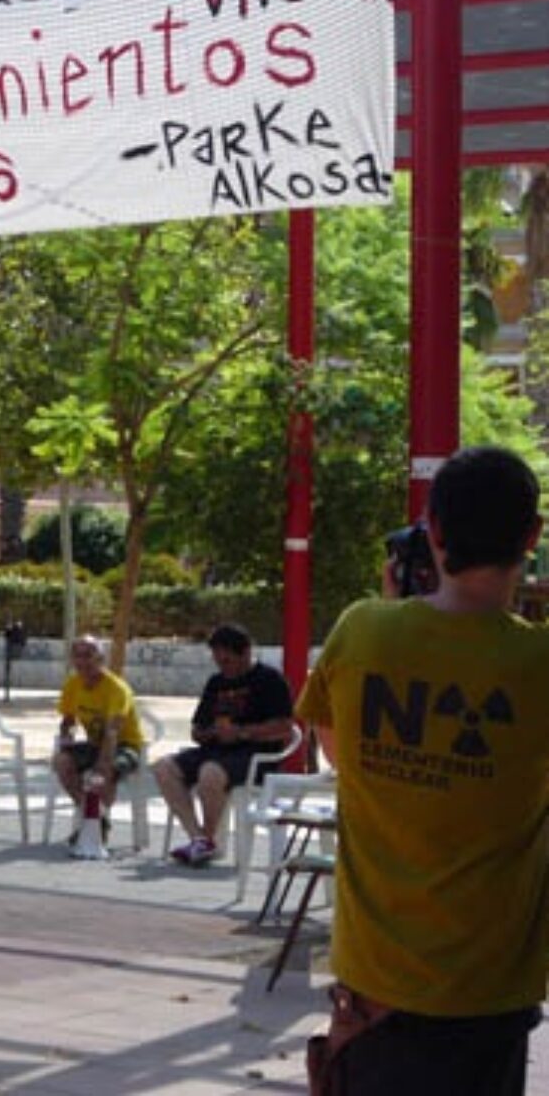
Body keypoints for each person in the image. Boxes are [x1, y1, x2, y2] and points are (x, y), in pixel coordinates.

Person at [297, 446, 549, 1096]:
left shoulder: (362, 631)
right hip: (491, 994)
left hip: (375, 995)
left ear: (432, 532)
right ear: (533, 536)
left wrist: (395, 616)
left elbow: (339, 755)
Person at [153, 623, 294, 866]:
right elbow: (196, 729)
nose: (222, 666)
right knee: (164, 767)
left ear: (246, 653)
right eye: (218, 660)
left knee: (210, 773)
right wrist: (208, 733)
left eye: (227, 661)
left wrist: (241, 733)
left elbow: (284, 729)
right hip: (215, 749)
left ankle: (206, 840)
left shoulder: (270, 680)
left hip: (256, 754)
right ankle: (199, 839)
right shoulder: (216, 683)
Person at [52, 634, 144, 847]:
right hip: (94, 743)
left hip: (125, 744)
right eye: (77, 656)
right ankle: (94, 818)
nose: (83, 662)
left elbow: (113, 732)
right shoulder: (72, 685)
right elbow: (68, 719)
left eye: (88, 655)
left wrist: (102, 766)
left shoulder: (116, 689)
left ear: (100, 659)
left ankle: (94, 825)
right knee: (61, 762)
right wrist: (66, 735)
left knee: (106, 769)